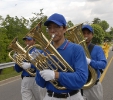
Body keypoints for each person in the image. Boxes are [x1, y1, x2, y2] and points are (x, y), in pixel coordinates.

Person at [35, 13, 88, 100]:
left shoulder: (77, 49)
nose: (52, 30)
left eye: (56, 27)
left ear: (64, 29)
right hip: (50, 97)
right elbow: (40, 83)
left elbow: (81, 79)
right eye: (49, 27)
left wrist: (56, 75)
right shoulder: (45, 51)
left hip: (72, 96)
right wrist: (38, 65)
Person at [81, 25, 107, 100]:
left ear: (92, 35)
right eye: (84, 33)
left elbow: (103, 64)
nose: (86, 35)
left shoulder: (98, 49)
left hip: (94, 86)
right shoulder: (77, 48)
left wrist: (90, 62)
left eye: (88, 33)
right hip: (80, 86)